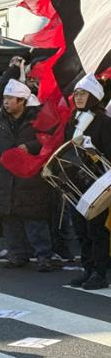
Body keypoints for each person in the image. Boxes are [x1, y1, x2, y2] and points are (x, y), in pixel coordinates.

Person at [0, 79, 55, 272]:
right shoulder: (0, 121)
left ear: (22, 100)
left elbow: (50, 141)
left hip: (30, 175)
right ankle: (17, 254)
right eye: (4, 98)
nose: (6, 102)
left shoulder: (37, 119)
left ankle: (44, 256)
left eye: (10, 98)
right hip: (4, 175)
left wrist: (30, 147)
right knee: (10, 218)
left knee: (33, 218)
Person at [64, 74, 111, 289]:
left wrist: (93, 152)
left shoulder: (104, 122)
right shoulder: (73, 119)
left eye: (83, 93)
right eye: (76, 93)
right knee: (81, 229)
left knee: (97, 229)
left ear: (94, 96)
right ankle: (88, 268)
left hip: (98, 183)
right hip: (76, 182)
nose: (78, 97)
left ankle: (100, 273)